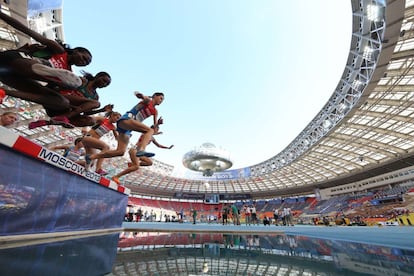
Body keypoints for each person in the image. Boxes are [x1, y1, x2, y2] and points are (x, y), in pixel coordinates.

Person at [0, 11, 91, 117]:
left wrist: (74, 109)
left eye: (85, 63)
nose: (83, 62)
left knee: (62, 102)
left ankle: (4, 92)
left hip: (10, 76)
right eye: (84, 58)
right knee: (35, 67)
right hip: (15, 60)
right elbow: (27, 30)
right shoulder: (59, 50)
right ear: (76, 51)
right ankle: (43, 68)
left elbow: (50, 92)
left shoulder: (69, 75)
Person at [85, 91, 165, 166]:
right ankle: (141, 150)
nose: (161, 101)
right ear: (154, 96)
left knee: (120, 152)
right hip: (126, 120)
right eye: (161, 98)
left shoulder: (155, 111)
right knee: (149, 130)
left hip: (128, 129)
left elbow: (154, 127)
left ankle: (91, 157)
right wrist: (141, 95)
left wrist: (158, 123)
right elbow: (145, 99)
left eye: (163, 100)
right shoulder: (148, 101)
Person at [26, 71, 113, 129]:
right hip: (59, 101)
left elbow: (86, 112)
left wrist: (102, 110)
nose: (104, 84)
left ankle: (48, 122)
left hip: (63, 111)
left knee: (91, 121)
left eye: (106, 84)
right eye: (104, 80)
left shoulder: (95, 96)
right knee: (96, 103)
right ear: (97, 76)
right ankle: (65, 117)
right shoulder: (82, 81)